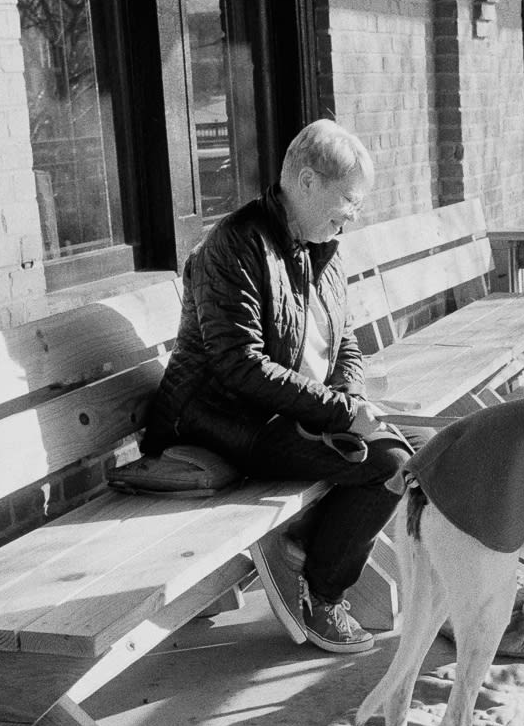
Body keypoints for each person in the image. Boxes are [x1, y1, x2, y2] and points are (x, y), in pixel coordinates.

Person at [142, 119, 404, 655]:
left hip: (285, 415)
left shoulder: (323, 249)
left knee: (401, 456)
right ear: (307, 182)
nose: (353, 214)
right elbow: (239, 366)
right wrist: (338, 413)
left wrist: (348, 401)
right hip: (220, 421)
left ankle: (303, 545)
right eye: (349, 200)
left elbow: (345, 342)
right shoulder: (233, 246)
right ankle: (323, 595)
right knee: (388, 465)